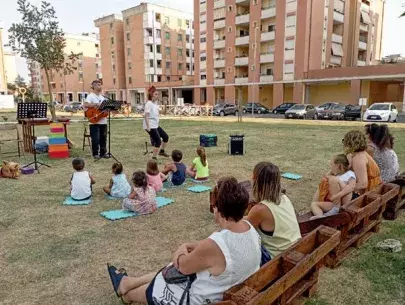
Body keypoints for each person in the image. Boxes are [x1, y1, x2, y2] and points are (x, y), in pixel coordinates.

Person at [107, 177, 261, 304]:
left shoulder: (216, 245)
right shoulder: (249, 228)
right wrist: (195, 248)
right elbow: (217, 250)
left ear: (217, 209)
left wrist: (182, 248)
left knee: (169, 275)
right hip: (231, 288)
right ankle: (127, 283)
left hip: (203, 299)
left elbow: (181, 266)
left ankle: (128, 295)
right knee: (171, 272)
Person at [245, 162, 301, 265]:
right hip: (295, 249)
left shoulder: (260, 209)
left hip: (276, 260)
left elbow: (242, 228)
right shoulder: (284, 198)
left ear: (256, 181)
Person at [343, 130, 382, 197]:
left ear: (350, 142)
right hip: (375, 190)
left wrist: (342, 190)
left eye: (344, 140)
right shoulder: (361, 153)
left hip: (369, 194)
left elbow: (363, 184)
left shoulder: (358, 158)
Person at [83, 80, 107, 160]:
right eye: (98, 85)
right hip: (94, 121)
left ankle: (103, 153)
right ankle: (95, 153)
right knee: (96, 138)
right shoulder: (91, 96)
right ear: (93, 87)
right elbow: (85, 104)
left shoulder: (103, 97)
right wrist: (96, 104)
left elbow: (105, 108)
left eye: (100, 85)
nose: (100, 86)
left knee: (103, 138)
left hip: (103, 121)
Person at [143, 86, 170, 160]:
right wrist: (148, 127)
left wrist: (165, 104)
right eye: (156, 94)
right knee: (158, 141)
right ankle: (154, 157)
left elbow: (163, 112)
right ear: (151, 95)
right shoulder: (149, 103)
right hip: (150, 125)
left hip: (155, 125)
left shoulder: (155, 104)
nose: (157, 96)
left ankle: (162, 151)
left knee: (165, 137)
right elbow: (146, 116)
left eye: (158, 94)